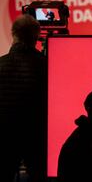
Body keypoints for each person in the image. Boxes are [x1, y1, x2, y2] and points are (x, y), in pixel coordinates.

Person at [0, 14, 46, 182]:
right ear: (36, 37)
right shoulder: (45, 65)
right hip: (36, 136)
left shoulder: (1, 65)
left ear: (13, 34)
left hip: (4, 137)